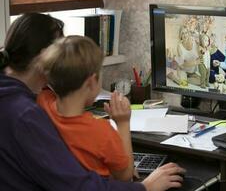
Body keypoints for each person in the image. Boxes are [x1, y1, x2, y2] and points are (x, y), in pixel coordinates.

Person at [0, 12, 185, 191]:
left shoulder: (34, 100)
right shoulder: (25, 115)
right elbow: (80, 187)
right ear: (43, 57)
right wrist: (145, 187)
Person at [37, 35, 134, 181]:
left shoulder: (42, 104)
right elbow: (126, 176)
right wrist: (123, 123)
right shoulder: (100, 132)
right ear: (91, 82)